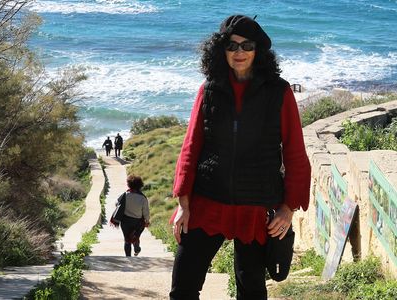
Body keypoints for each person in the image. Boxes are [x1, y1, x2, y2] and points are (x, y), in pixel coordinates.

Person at [169, 15, 311, 300]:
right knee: (183, 286)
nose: (239, 53)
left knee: (251, 291)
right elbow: (191, 146)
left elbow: (295, 152)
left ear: (258, 51)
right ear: (221, 51)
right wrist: (184, 203)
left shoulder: (279, 92)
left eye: (247, 46)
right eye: (232, 46)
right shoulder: (209, 90)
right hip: (207, 201)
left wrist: (288, 208)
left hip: (256, 207)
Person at [112, 175, 150, 256]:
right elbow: (146, 211)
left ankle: (128, 258)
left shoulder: (125, 194)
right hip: (138, 222)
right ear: (140, 185)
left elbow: (117, 203)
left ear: (129, 184)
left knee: (127, 240)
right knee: (135, 236)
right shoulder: (143, 198)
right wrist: (147, 220)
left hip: (125, 221)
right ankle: (136, 247)